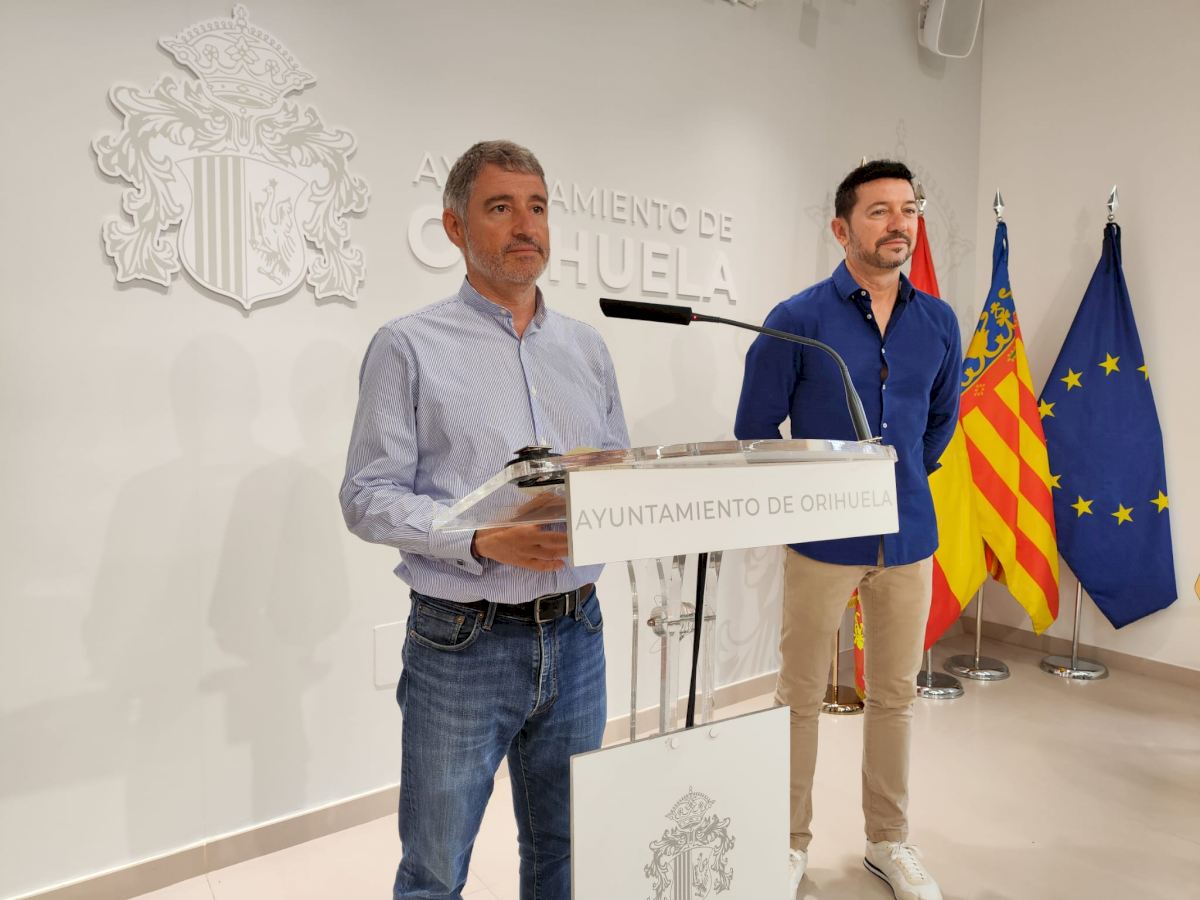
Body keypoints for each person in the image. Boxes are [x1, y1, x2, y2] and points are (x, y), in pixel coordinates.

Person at [340, 140, 629, 900]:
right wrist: (479, 539)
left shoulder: (587, 348)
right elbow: (367, 494)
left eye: (537, 207)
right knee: (435, 867)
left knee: (566, 852)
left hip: (579, 631)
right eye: (501, 207)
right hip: (463, 641)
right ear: (454, 227)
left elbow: (615, 470)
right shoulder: (409, 345)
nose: (526, 225)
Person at [734, 160, 961, 900]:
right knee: (799, 694)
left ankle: (888, 841)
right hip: (822, 541)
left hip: (907, 537)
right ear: (842, 228)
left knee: (894, 695)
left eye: (909, 209)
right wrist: (810, 496)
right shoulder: (798, 320)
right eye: (879, 211)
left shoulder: (939, 322)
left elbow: (939, 423)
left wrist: (900, 479)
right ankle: (785, 843)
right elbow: (755, 430)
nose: (899, 223)